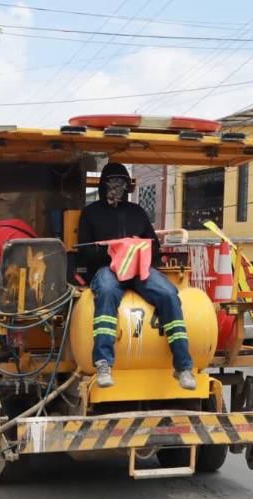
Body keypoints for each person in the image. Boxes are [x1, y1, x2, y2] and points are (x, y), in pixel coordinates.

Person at [78, 162, 196, 390]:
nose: (117, 188)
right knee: (107, 292)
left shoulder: (137, 212)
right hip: (108, 270)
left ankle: (183, 367)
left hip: (138, 270)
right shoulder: (90, 213)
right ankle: (103, 364)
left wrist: (137, 250)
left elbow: (154, 246)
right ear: (103, 185)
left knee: (169, 293)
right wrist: (111, 251)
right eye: (112, 183)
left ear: (127, 187)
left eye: (121, 183)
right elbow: (83, 251)